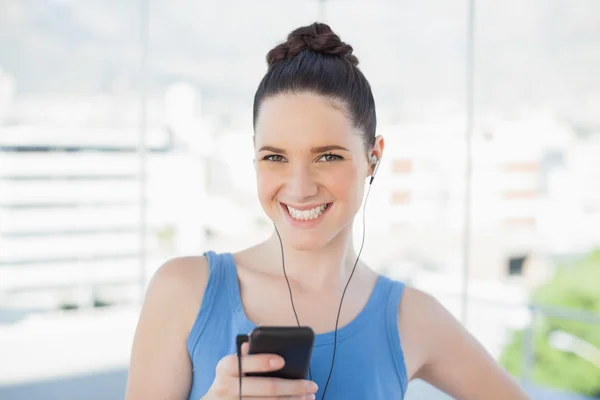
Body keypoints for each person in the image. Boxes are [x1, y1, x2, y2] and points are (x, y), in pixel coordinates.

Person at [125, 22, 530, 400]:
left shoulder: (413, 318)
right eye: (275, 157)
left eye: (328, 157)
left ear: (373, 158)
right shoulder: (183, 291)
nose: (299, 188)